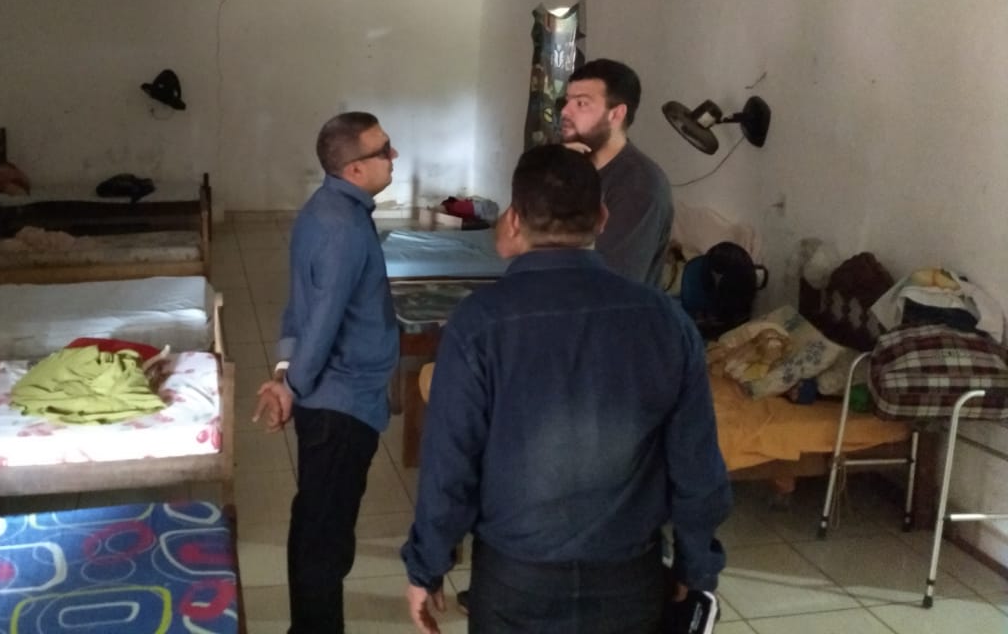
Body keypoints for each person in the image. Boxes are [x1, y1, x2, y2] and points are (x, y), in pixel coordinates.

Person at [400, 144, 730, 634]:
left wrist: (427, 565)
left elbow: (450, 463)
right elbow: (696, 461)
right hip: (629, 579)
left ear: (514, 220)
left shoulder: (478, 323)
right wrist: (696, 562)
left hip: (516, 581)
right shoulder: (666, 320)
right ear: (602, 218)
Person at [252, 111, 401, 634]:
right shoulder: (344, 229)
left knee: (315, 522)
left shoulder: (321, 210)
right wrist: (291, 386)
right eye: (384, 150)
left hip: (330, 398)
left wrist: (285, 374)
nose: (394, 156)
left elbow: (299, 305)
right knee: (325, 538)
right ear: (355, 169)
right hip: (343, 406)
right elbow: (322, 320)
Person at [560, 58, 672, 286]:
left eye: (581, 103)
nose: (565, 112)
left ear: (616, 114)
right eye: (567, 101)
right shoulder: (567, 165)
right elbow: (508, 241)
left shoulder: (640, 187)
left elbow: (608, 286)